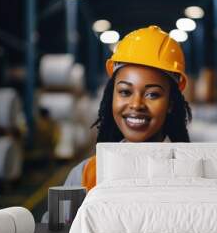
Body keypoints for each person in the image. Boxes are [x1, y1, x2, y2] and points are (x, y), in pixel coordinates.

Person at [64, 25, 193, 191]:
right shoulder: (86, 175)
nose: (136, 104)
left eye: (152, 94)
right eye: (125, 92)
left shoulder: (191, 173)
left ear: (171, 103)